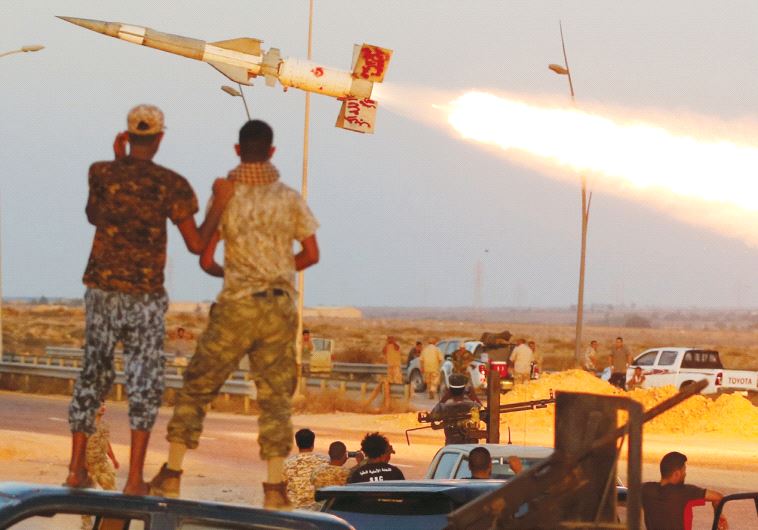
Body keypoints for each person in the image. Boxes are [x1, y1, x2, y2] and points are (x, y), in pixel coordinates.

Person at [148, 120, 320, 509]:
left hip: (237, 305)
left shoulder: (226, 195)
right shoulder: (290, 199)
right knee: (275, 396)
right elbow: (311, 254)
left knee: (198, 385)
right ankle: (274, 488)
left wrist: (238, 273)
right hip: (278, 306)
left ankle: (172, 473)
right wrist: (276, 271)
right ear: (272, 152)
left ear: (237, 150)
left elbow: (205, 257)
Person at [66, 104, 232, 495]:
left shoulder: (101, 172)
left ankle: (75, 471)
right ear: (159, 138)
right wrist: (220, 202)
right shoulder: (171, 184)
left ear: (127, 136)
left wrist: (117, 162)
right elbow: (196, 244)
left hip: (102, 291)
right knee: (143, 382)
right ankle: (135, 478)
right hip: (144, 296)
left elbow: (93, 215)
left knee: (93, 375)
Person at [642, 451, 726, 530]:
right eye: (684, 471)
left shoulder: (645, 489)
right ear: (677, 474)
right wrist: (719, 517)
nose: (685, 474)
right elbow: (718, 497)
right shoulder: (686, 492)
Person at [282, 429, 329, 509]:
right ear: (313, 444)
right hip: (318, 510)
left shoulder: (287, 464)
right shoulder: (325, 462)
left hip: (295, 510)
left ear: (297, 444)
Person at [430, 374, 482, 444]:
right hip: (470, 446)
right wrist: (474, 396)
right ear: (464, 391)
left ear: (450, 392)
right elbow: (484, 410)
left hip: (451, 446)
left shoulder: (444, 408)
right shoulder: (473, 406)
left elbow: (432, 416)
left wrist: (445, 398)